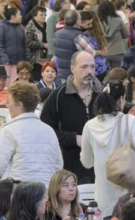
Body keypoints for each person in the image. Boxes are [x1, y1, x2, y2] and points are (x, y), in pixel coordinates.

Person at [80, 81, 135, 214]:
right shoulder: (129, 120)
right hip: (129, 196)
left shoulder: (89, 125)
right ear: (121, 99)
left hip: (103, 196)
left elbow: (86, 163)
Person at [40, 51, 102, 184]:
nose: (89, 71)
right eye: (84, 67)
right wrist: (74, 139)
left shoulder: (102, 94)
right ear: (72, 69)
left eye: (92, 67)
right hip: (70, 168)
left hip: (101, 167)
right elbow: (46, 131)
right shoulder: (57, 97)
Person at [0, 82, 63, 184]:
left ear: (19, 105)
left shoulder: (8, 130)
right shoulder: (49, 131)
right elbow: (59, 164)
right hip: (46, 191)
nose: (7, 105)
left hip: (18, 191)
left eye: (9, 101)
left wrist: (0, 185)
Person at [0, 6, 27, 83]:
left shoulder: (21, 28)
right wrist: (4, 58)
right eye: (19, 14)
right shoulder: (2, 27)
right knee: (4, 83)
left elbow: (25, 45)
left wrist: (25, 59)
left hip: (18, 62)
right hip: (5, 62)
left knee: (15, 84)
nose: (21, 16)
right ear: (13, 17)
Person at [53, 10, 84, 80]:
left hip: (61, 71)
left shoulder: (57, 34)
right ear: (77, 21)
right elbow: (90, 53)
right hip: (75, 73)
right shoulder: (78, 36)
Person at [100, 0, 129, 70]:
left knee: (106, 77)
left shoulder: (99, 22)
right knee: (119, 75)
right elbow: (126, 34)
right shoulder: (118, 20)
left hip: (105, 52)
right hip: (119, 52)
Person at [25, 6, 48, 81]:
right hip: (35, 59)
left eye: (45, 15)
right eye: (41, 15)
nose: (44, 17)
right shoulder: (30, 27)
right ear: (34, 16)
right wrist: (42, 45)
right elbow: (29, 43)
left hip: (46, 58)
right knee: (37, 79)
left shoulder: (47, 25)